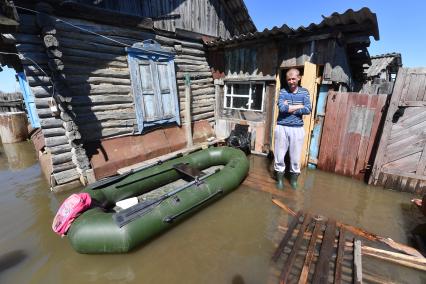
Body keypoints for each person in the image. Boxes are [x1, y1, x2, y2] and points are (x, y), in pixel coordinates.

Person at [274, 68, 311, 189]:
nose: (291, 81)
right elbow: (282, 109)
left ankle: (293, 181)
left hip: (297, 128)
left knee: (295, 157)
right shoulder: (283, 91)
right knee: (279, 156)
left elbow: (307, 109)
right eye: (289, 79)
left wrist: (290, 106)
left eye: (293, 78)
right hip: (282, 127)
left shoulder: (304, 92)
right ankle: (279, 180)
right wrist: (299, 106)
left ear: (299, 78)